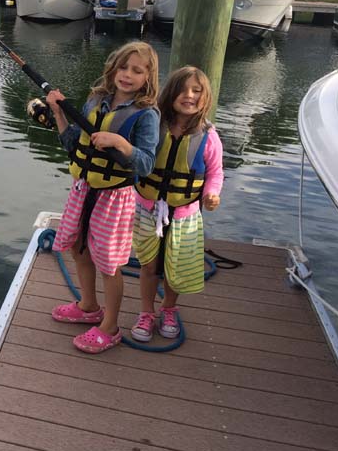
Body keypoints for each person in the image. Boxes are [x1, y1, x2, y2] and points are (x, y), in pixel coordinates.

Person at [46, 42, 160, 354]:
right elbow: (73, 144)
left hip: (115, 197)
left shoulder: (146, 115)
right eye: (123, 67)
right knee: (78, 248)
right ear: (112, 68)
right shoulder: (96, 99)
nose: (127, 75)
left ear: (148, 77)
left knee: (109, 264)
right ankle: (88, 306)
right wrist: (59, 114)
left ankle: (110, 327)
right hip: (83, 189)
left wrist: (121, 144)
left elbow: (146, 164)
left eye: (137, 71)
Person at [130, 65, 224, 342]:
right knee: (148, 265)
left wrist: (212, 194)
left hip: (185, 213)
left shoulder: (209, 137)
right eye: (183, 90)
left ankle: (169, 308)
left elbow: (216, 172)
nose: (189, 95)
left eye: (196, 91)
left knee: (175, 267)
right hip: (147, 208)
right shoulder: (153, 126)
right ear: (170, 93)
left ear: (205, 98)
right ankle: (146, 312)